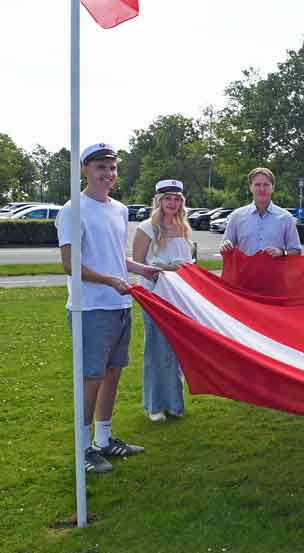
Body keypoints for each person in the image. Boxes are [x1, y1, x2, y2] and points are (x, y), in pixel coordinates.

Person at [56, 142, 162, 474]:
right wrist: (110, 281)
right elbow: (71, 264)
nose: (108, 174)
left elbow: (116, 257)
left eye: (113, 168)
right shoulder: (72, 210)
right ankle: (82, 448)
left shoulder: (119, 209)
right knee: (92, 377)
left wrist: (139, 269)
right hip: (90, 308)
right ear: (86, 169)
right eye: (101, 167)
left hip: (120, 303)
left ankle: (104, 439)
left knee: (113, 373)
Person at [132, 179, 193, 422]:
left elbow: (189, 263)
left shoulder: (184, 228)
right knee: (156, 349)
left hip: (178, 296)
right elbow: (138, 265)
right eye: (168, 198)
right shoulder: (146, 228)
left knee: (176, 351)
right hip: (155, 295)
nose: (173, 203)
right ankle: (154, 405)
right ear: (159, 201)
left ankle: (174, 403)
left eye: (177, 198)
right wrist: (168, 268)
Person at [219, 167, 302, 257]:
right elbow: (223, 250)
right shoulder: (237, 216)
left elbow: (297, 251)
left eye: (266, 185)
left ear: (273, 187)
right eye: (257, 185)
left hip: (274, 271)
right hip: (246, 271)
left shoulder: (286, 217)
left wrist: (282, 252)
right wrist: (225, 247)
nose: (262, 189)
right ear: (250, 187)